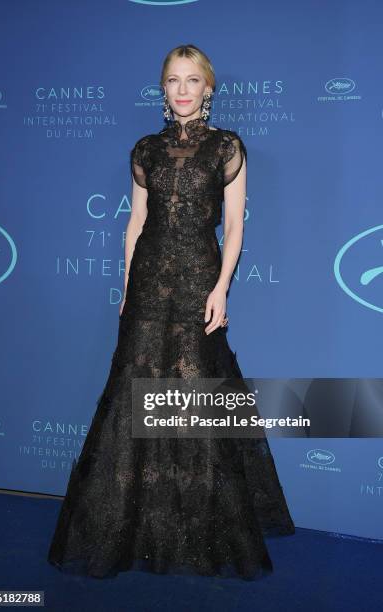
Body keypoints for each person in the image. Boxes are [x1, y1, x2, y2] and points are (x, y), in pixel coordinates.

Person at [47, 44, 295, 581]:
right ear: (163, 91)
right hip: (148, 284)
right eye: (173, 81)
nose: (182, 90)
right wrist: (126, 286)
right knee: (133, 394)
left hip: (197, 281)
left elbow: (234, 226)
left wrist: (222, 288)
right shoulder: (145, 150)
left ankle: (197, 528)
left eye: (192, 81)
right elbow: (134, 224)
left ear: (208, 88)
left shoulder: (227, 148)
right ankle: (133, 525)